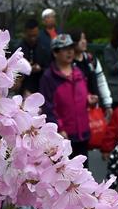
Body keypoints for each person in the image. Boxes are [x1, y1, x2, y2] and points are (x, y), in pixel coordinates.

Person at [39, 33, 92, 165]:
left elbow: (83, 94)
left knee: (83, 173)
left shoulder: (78, 72)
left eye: (71, 48)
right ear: (55, 53)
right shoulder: (48, 77)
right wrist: (59, 128)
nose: (70, 52)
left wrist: (89, 98)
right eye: (64, 49)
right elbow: (48, 106)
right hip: (64, 134)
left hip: (82, 132)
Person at [70, 28, 113, 109]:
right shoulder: (68, 64)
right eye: (80, 39)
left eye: (84, 38)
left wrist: (107, 103)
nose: (83, 42)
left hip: (95, 106)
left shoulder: (91, 59)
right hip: (77, 107)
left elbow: (101, 81)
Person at [13, 18, 52, 96]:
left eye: (35, 35)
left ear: (38, 32)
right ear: (25, 33)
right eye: (29, 36)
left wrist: (40, 68)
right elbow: (14, 71)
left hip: (41, 86)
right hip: (24, 89)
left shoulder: (44, 47)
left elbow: (50, 67)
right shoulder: (18, 50)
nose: (32, 39)